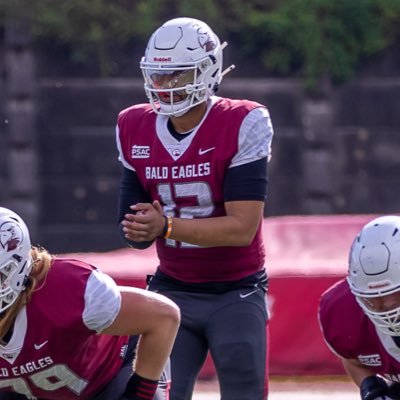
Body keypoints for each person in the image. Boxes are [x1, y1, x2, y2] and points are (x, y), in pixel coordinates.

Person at [115, 16, 274, 400]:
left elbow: (241, 229)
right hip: (172, 290)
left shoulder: (243, 120)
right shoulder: (131, 124)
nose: (164, 86)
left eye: (177, 75)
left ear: (208, 71)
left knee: (245, 393)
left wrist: (164, 227)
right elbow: (135, 231)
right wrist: (139, 229)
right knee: (156, 394)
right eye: (158, 76)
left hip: (236, 289)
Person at [0, 207, 180, 400]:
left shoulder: (66, 289)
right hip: (33, 390)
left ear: (14, 269)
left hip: (112, 374)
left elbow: (163, 316)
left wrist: (140, 393)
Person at [319, 215, 400, 400]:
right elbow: (355, 358)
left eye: (395, 296)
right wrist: (369, 386)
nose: (388, 308)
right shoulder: (344, 311)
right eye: (375, 300)